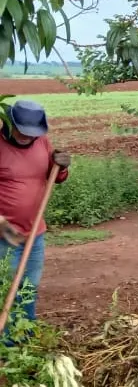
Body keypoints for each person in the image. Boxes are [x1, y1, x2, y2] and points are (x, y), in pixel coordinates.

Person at [0, 99, 70, 339]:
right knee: (6, 290)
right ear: (9, 123)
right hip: (4, 235)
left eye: (32, 133)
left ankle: (26, 339)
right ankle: (7, 347)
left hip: (35, 233)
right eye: (21, 131)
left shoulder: (42, 142)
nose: (26, 137)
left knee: (29, 288)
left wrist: (60, 167)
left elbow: (56, 176)